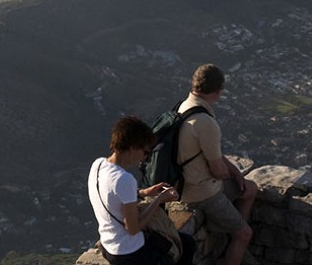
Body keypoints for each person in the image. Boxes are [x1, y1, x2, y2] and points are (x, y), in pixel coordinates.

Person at [176, 64, 256, 265]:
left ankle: (229, 230)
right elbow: (218, 170)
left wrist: (236, 173)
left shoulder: (184, 107)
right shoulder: (206, 123)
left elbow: (214, 156)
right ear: (219, 90)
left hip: (186, 184)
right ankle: (236, 236)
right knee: (245, 233)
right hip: (202, 193)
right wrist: (231, 175)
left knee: (250, 189)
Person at [89, 116, 194, 265]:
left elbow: (112, 194)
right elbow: (133, 228)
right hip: (131, 253)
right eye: (145, 152)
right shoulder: (124, 179)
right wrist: (159, 200)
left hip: (109, 246)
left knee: (186, 242)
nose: (145, 158)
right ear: (132, 148)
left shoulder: (98, 165)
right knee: (182, 249)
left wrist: (144, 193)